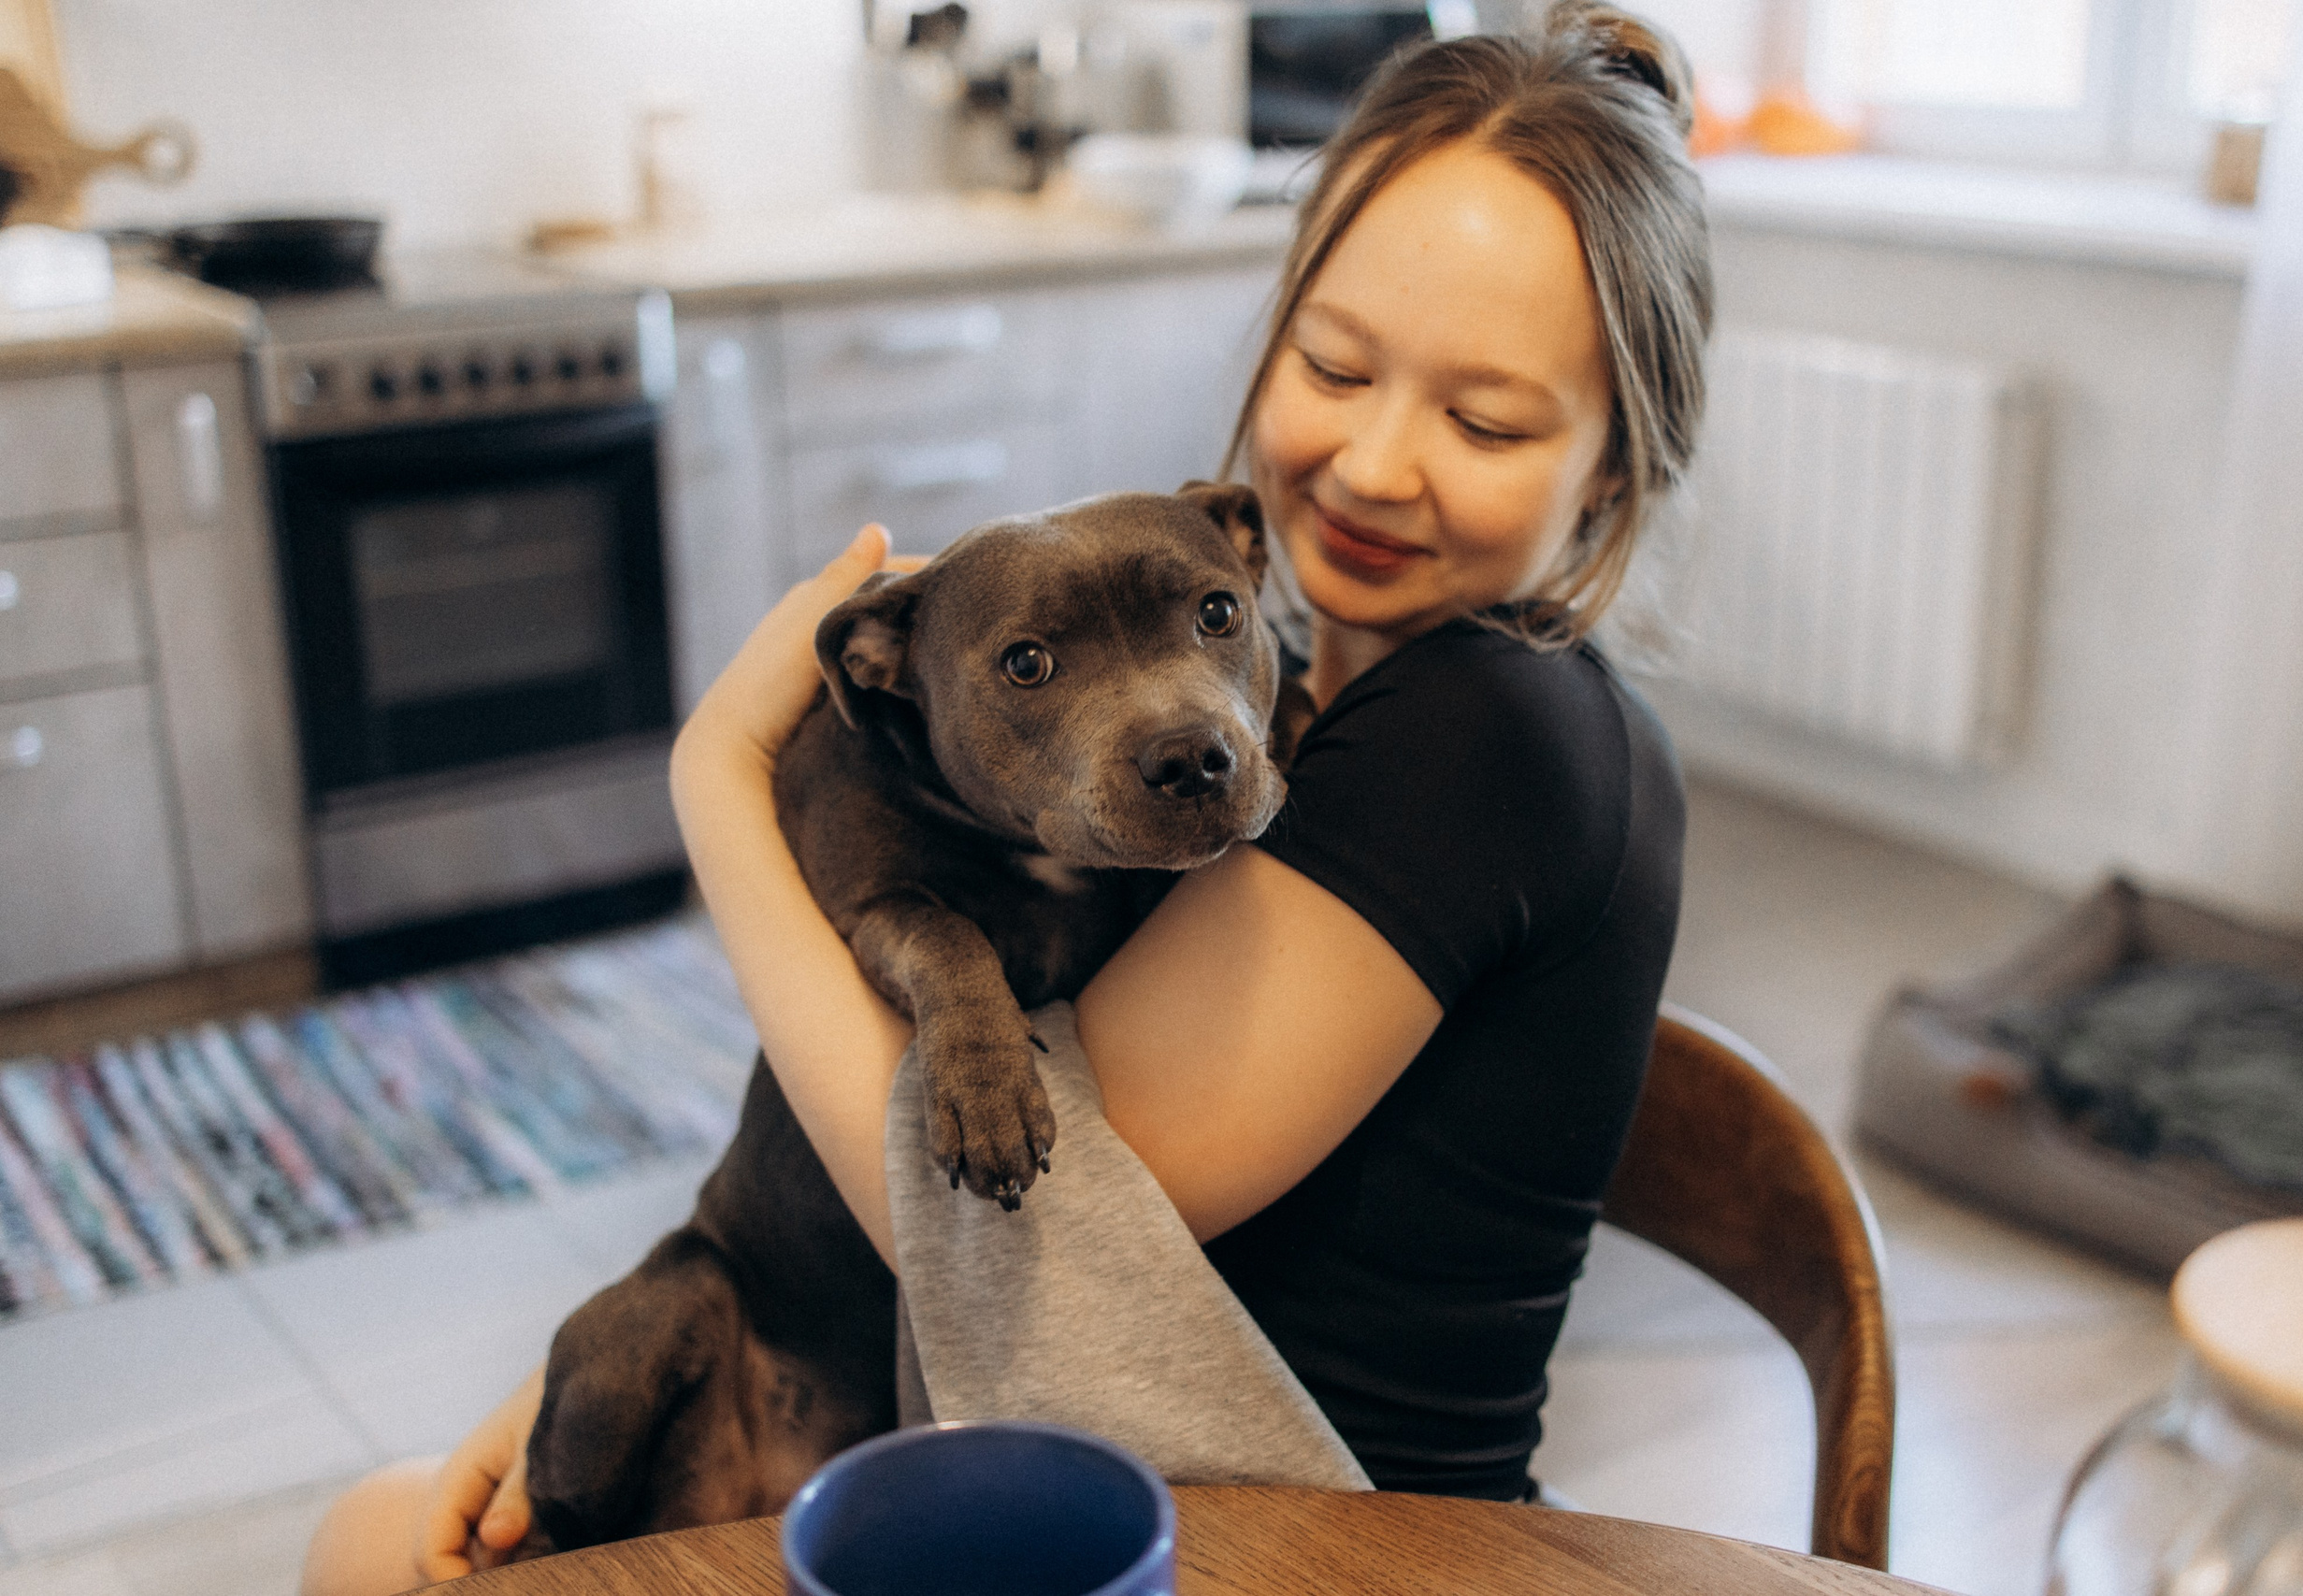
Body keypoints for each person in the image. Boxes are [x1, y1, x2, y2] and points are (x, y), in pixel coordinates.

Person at [300, 4, 1710, 1588]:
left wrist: (719, 786)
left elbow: (991, 1237)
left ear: (1613, 465)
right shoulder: (1306, 681)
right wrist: (653, 1327)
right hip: (1110, 1455)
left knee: (373, 1555)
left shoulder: (1490, 729)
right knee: (380, 1528)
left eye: (1485, 418)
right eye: (1335, 363)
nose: (1378, 462)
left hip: (1310, 1536)